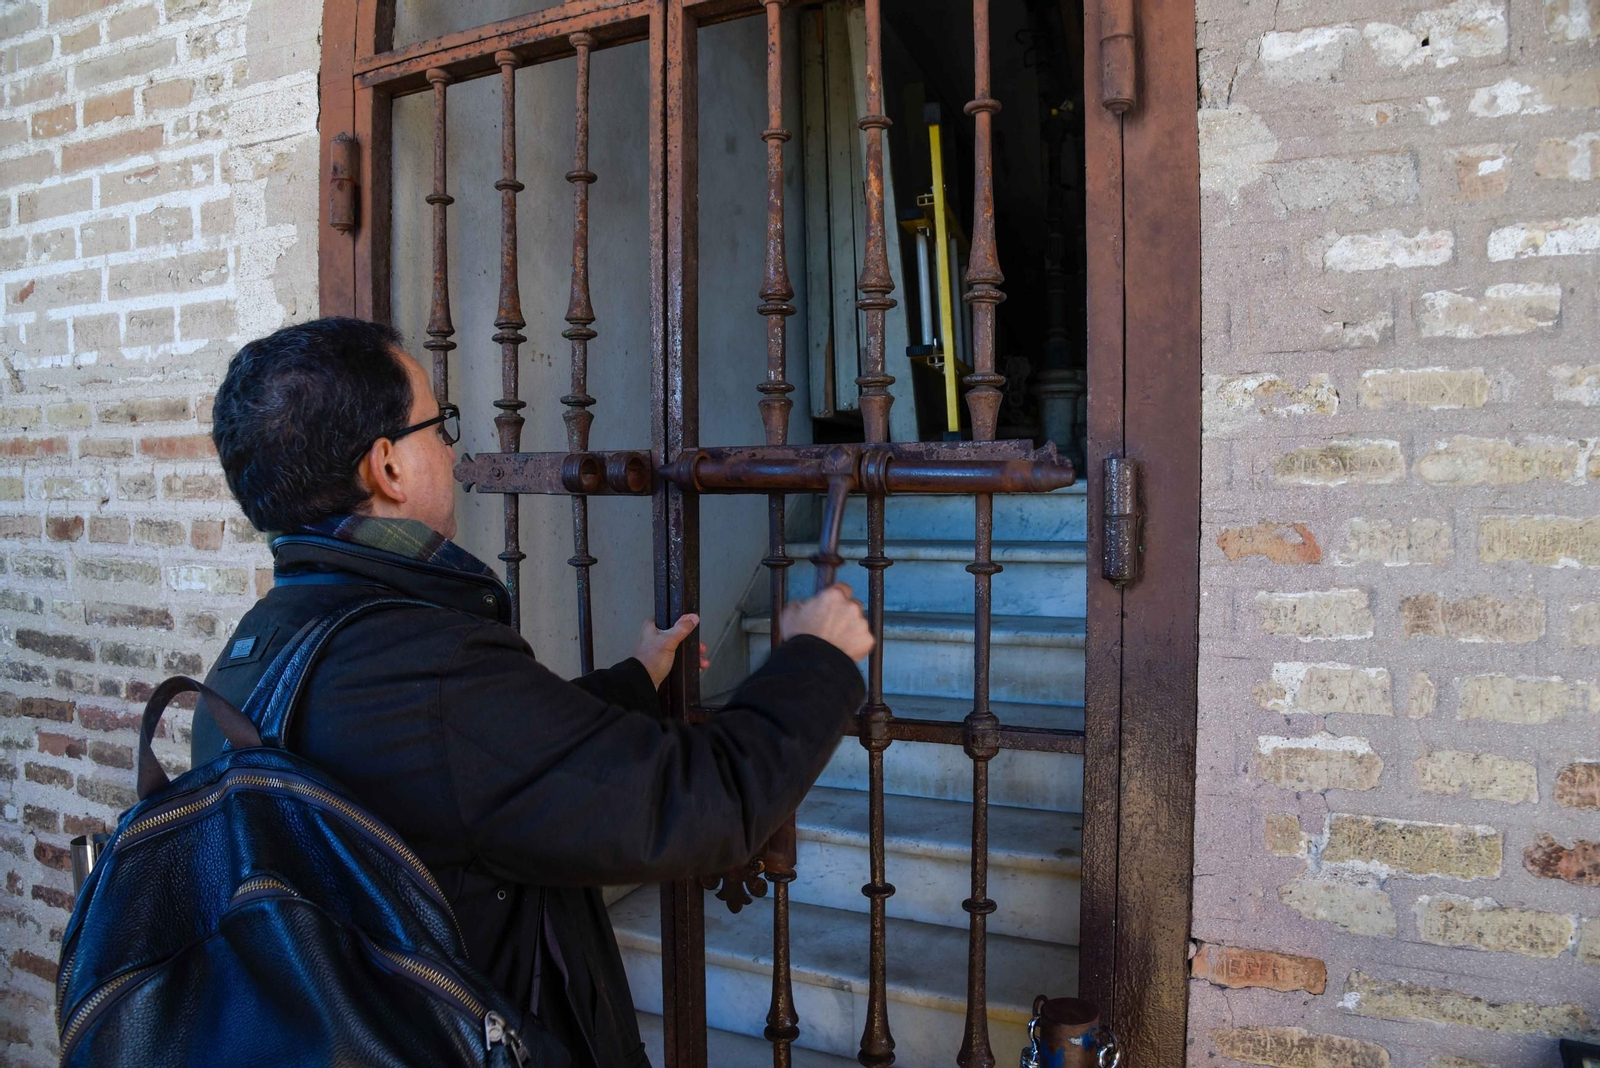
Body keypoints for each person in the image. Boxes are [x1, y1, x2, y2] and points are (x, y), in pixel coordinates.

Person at [192, 317, 872, 1068]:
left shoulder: (252, 658)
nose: (451, 452)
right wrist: (818, 658)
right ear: (387, 468)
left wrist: (633, 681)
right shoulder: (429, 669)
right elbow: (700, 802)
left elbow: (475, 771)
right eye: (438, 427)